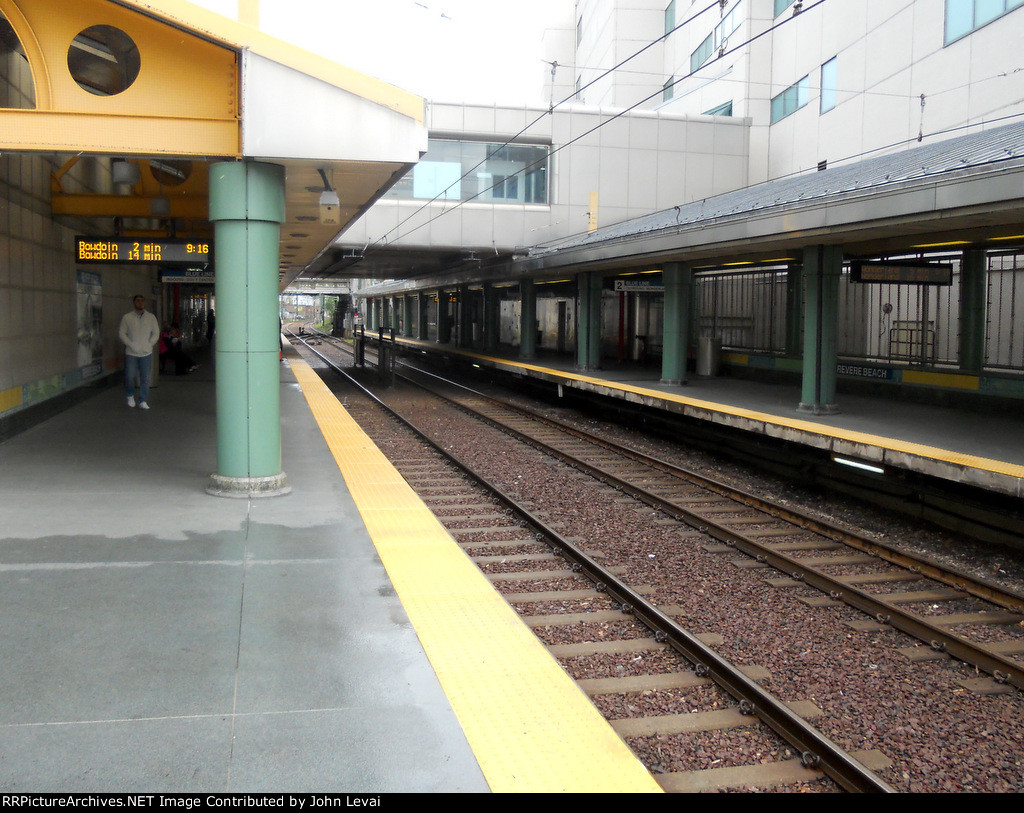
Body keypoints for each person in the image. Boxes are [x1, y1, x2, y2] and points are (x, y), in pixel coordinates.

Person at [118, 294, 160, 409]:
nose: (140, 303)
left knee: (145, 377)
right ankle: (130, 395)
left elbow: (156, 333)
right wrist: (131, 344)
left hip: (146, 353)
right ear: (134, 302)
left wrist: (149, 344)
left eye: (142, 301)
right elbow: (122, 333)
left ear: (145, 303)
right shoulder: (127, 317)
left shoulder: (151, 317)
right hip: (131, 353)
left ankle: (143, 400)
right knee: (130, 376)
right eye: (138, 301)